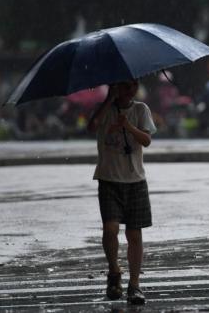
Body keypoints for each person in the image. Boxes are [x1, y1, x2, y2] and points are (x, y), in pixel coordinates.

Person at [87, 79, 157, 304]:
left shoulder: (140, 109)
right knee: (110, 228)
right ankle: (114, 271)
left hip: (135, 179)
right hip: (109, 179)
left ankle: (134, 285)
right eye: (125, 85)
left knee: (134, 234)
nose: (131, 89)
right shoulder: (105, 110)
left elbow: (146, 140)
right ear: (115, 86)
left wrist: (128, 126)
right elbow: (92, 127)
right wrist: (109, 100)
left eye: (134, 84)